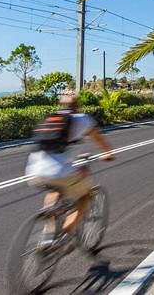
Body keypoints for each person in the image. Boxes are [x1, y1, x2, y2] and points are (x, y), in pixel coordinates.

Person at [25, 94, 114, 246]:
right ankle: (64, 236)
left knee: (53, 190)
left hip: (35, 169)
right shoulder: (83, 119)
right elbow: (99, 139)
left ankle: (49, 233)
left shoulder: (50, 118)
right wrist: (108, 153)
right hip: (62, 171)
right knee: (85, 197)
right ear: (77, 106)